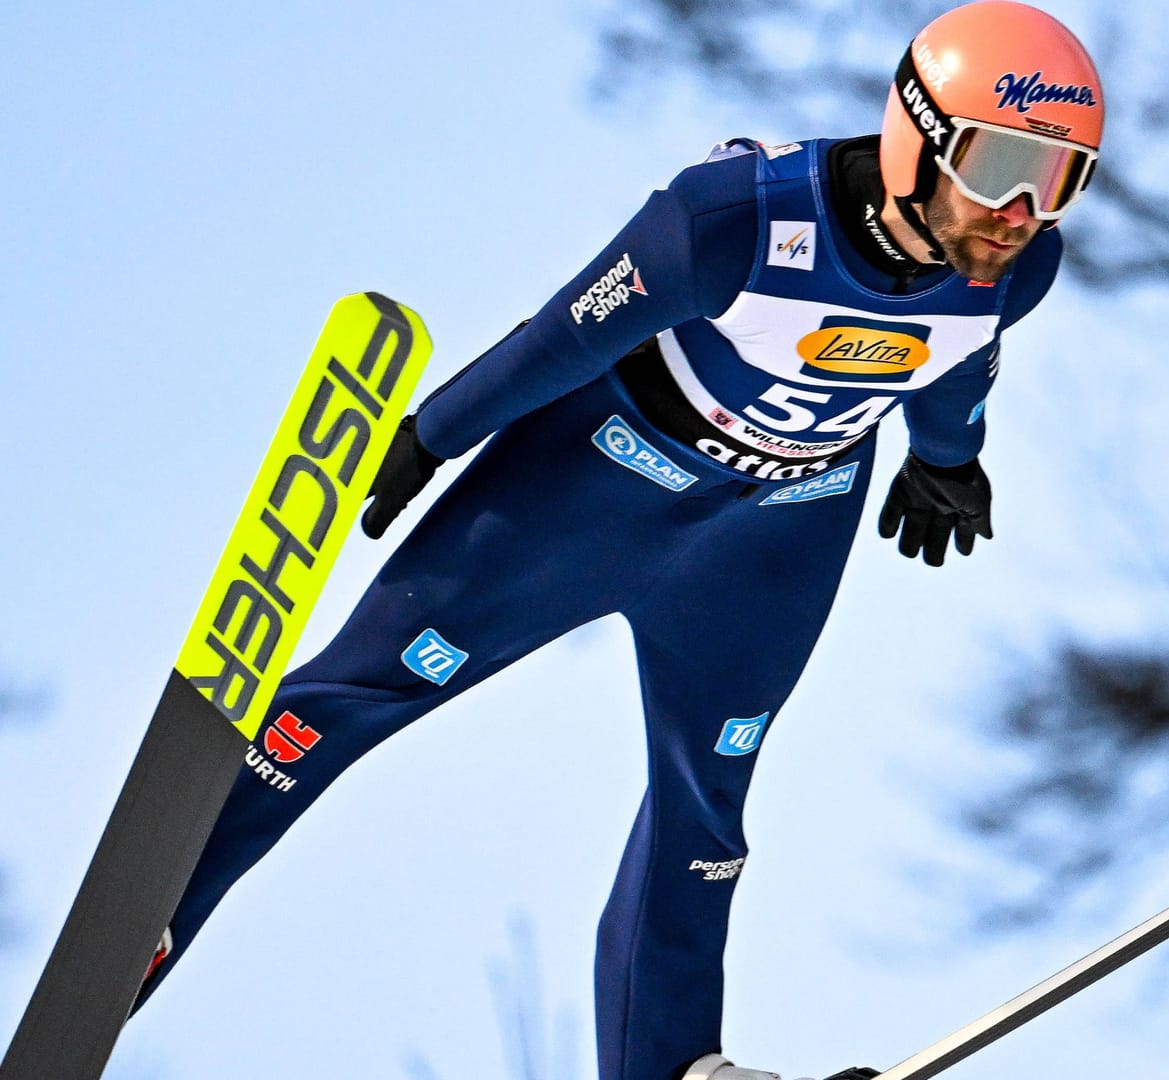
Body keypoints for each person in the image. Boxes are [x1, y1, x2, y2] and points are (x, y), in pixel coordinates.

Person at [132, 3, 1104, 1078]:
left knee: (709, 806)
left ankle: (673, 1065)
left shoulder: (1017, 268)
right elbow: (566, 331)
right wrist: (431, 436)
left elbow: (960, 356)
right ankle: (150, 921)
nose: (1023, 210)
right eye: (1006, 164)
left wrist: (948, 457)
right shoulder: (734, 216)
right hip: (599, 481)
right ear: (918, 134)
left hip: (775, 534)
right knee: (362, 693)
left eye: (1061, 178)